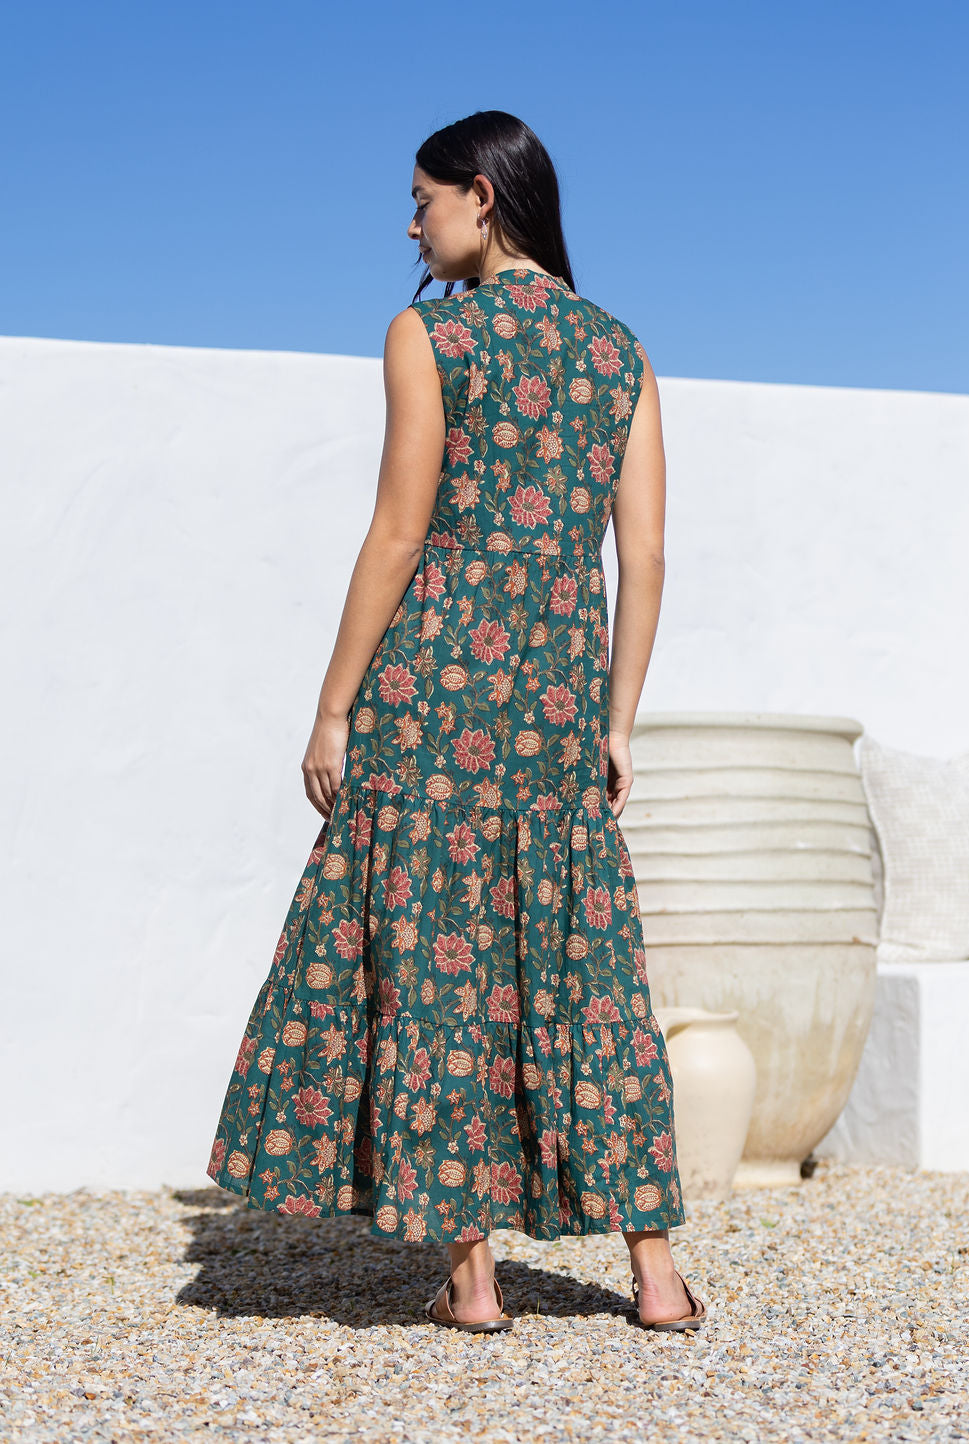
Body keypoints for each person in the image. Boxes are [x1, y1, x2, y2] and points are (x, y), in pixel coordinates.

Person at [206, 110, 706, 1336]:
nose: (411, 221)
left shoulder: (430, 334)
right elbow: (641, 554)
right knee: (585, 973)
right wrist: (618, 719)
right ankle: (656, 1277)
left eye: (422, 198)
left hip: (431, 700)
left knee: (441, 965)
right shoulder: (616, 351)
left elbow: (397, 531)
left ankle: (473, 1282)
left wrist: (332, 707)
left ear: (482, 197)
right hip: (553, 711)